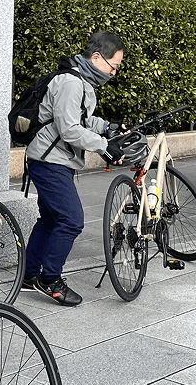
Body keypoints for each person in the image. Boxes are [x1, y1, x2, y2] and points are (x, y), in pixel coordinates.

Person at [21, 31, 131, 307]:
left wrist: (106, 127)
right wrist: (104, 146)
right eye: (113, 66)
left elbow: (80, 119)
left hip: (52, 159)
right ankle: (50, 280)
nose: (113, 73)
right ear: (96, 57)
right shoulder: (71, 82)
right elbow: (69, 129)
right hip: (50, 162)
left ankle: (28, 275)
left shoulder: (79, 80)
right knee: (71, 220)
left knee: (50, 219)